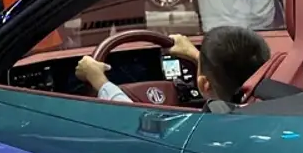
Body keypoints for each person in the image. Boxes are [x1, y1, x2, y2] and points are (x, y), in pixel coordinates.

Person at [76, 27, 270, 107]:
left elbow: (131, 122)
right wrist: (196, 55)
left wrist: (99, 81)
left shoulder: (205, 128)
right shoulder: (273, 104)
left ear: (204, 84)